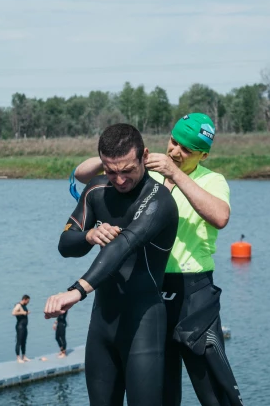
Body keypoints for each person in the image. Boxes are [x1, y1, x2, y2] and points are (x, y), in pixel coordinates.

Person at [74, 113, 243, 406]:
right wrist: (119, 161)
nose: (176, 151)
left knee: (215, 390)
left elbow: (220, 216)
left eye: (187, 149)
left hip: (194, 293)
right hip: (152, 291)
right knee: (162, 392)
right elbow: (81, 174)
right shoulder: (148, 173)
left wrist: (176, 175)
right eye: (173, 142)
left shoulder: (212, 180)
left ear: (203, 154)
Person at [44, 123, 179, 406]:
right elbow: (65, 244)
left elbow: (123, 245)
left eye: (127, 170)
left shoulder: (159, 200)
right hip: (103, 324)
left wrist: (76, 290)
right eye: (110, 170)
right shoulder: (95, 190)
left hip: (144, 323)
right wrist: (90, 235)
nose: (119, 180)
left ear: (144, 156)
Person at [12, 295, 31, 363]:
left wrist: (27, 312)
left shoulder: (24, 306)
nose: (28, 303)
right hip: (20, 326)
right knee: (19, 342)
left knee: (24, 342)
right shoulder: (18, 305)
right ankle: (18, 358)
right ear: (24, 299)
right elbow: (13, 313)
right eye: (28, 301)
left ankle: (24, 356)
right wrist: (23, 312)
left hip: (24, 326)